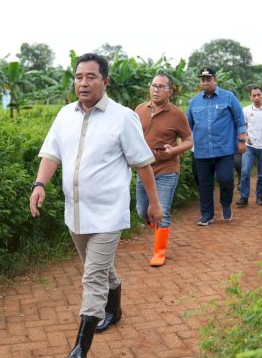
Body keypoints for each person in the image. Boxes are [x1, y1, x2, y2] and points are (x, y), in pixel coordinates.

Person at [29, 53, 162, 358]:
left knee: (92, 276)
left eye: (91, 77)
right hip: (75, 213)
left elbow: (142, 165)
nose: (84, 82)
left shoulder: (122, 116)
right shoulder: (65, 115)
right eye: (79, 77)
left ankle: (80, 348)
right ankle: (115, 311)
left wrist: (154, 204)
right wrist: (40, 185)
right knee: (98, 268)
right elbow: (51, 154)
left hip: (108, 214)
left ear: (105, 81)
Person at [134, 73, 193, 267]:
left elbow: (189, 141)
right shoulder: (139, 110)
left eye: (161, 87)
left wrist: (173, 151)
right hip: (144, 170)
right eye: (153, 86)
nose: (156, 89)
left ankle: (159, 252)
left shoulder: (177, 114)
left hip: (166, 169)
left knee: (163, 210)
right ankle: (159, 228)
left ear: (169, 91)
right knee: (143, 210)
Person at [186, 67, 247, 226]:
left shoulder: (228, 97)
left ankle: (226, 203)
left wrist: (241, 141)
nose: (205, 82)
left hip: (224, 149)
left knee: (225, 179)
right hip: (201, 150)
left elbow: (239, 119)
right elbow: (187, 126)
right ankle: (207, 214)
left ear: (215, 80)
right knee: (204, 183)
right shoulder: (194, 102)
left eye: (208, 79)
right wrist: (182, 143)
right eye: (202, 80)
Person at [236, 86, 262, 207]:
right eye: (253, 95)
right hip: (249, 146)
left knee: (261, 174)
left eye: (258, 95)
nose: (256, 97)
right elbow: (242, 126)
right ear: (250, 97)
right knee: (245, 172)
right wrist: (245, 136)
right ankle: (244, 197)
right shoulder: (246, 110)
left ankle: (260, 196)